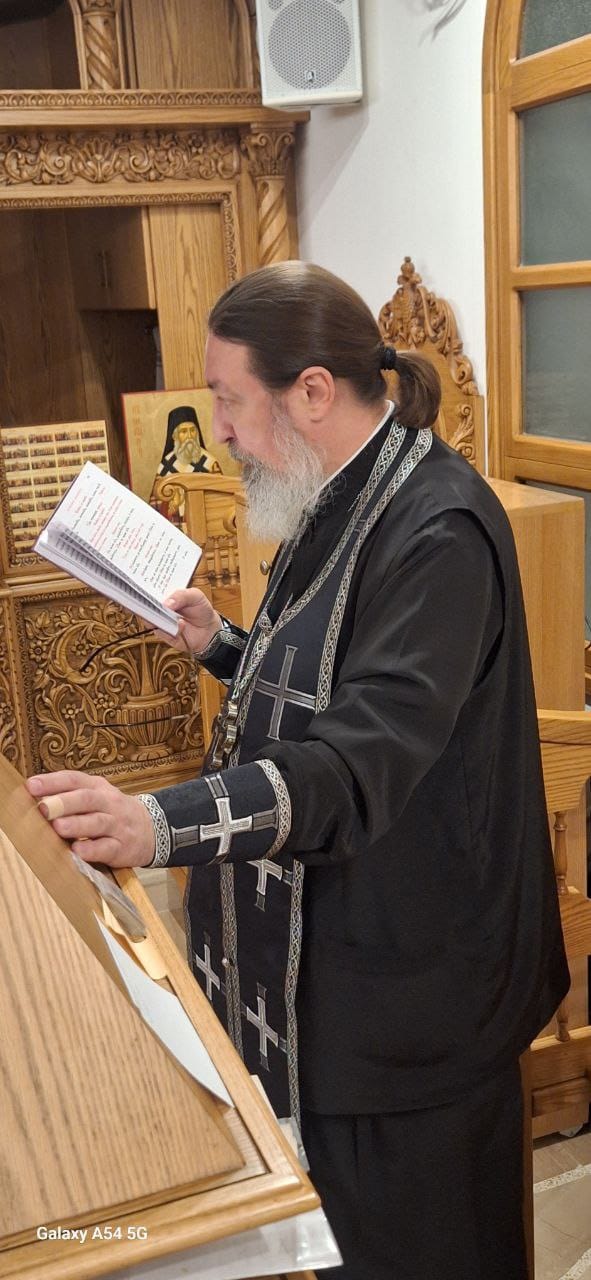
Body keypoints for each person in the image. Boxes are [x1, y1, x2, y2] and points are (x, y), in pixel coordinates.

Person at [27, 262, 569, 1280]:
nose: (219, 429)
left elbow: (359, 758)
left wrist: (155, 823)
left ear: (312, 390)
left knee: (422, 1249)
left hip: (410, 989)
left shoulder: (438, 529)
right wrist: (223, 645)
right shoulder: (345, 484)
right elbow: (330, 679)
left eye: (230, 398)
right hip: (344, 951)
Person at [156, 405, 221, 477]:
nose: (189, 436)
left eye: (192, 430)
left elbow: (219, 484)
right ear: (175, 436)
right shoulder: (166, 466)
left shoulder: (210, 463)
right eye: (184, 431)